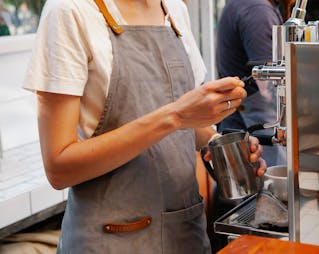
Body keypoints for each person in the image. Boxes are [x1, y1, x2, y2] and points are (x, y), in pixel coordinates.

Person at [23, 0, 267, 252]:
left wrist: (218, 145)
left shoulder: (174, 11)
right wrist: (175, 116)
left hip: (185, 236)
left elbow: (187, 120)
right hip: (111, 242)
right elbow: (59, 168)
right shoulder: (70, 11)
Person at [210, 0, 293, 251]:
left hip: (239, 126)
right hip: (254, 129)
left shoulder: (243, 4)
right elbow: (270, 87)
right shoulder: (257, 11)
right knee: (264, 211)